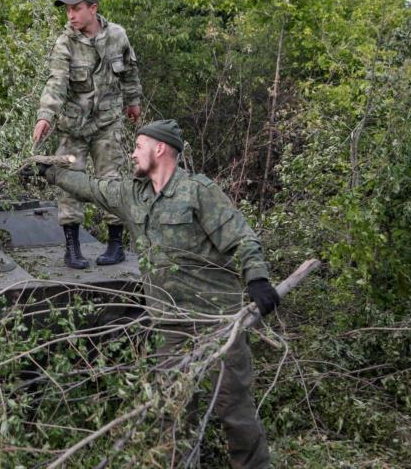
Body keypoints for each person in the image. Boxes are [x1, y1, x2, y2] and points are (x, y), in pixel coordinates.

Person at [40, 119, 279, 468]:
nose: (133, 154)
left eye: (138, 146)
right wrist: (53, 174)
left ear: (160, 148)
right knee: (174, 412)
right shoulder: (131, 195)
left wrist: (257, 279)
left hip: (216, 322)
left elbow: (241, 237)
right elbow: (91, 187)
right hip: (170, 325)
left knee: (235, 412)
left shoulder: (198, 191)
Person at [33, 0, 142, 270]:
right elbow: (56, 82)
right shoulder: (65, 42)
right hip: (73, 126)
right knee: (69, 183)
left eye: (76, 9)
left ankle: (115, 246)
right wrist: (45, 115)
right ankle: (73, 249)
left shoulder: (117, 36)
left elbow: (130, 73)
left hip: (107, 123)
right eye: (67, 10)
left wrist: (134, 103)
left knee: (111, 181)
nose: (70, 15)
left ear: (93, 9)